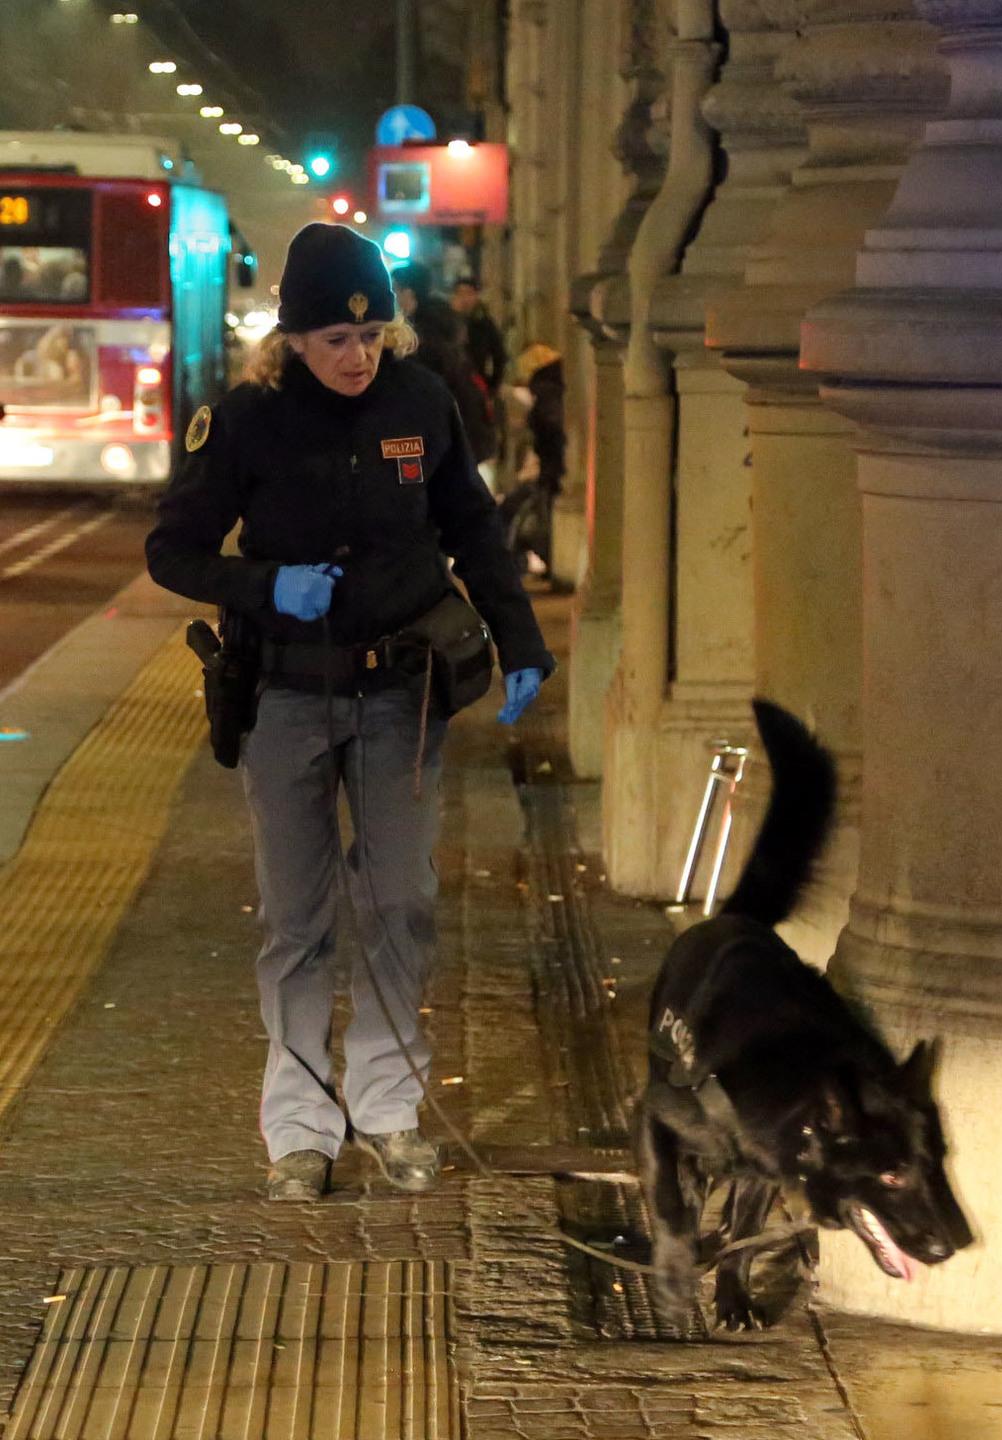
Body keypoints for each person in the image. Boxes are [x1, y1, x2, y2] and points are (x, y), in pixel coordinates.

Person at [146, 223, 554, 1203]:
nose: (357, 356)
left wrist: (523, 641)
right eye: (335, 339)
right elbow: (175, 550)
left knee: (400, 904)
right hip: (286, 692)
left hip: (400, 696)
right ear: (292, 338)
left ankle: (388, 1107)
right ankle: (298, 1126)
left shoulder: (423, 400)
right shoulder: (245, 418)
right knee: (296, 919)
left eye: (372, 339)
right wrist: (261, 586)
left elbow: (473, 527)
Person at [391, 261, 497, 464]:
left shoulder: (421, 337)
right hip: (463, 428)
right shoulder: (441, 324)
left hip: (449, 432)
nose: (393, 298)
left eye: (396, 290)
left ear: (409, 292)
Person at [499, 343, 566, 573]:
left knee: (520, 514)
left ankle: (512, 565)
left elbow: (551, 431)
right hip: (551, 469)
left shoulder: (545, 393)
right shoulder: (556, 388)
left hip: (550, 470)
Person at [451, 277, 507, 395]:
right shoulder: (447, 322)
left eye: (469, 294)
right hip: (452, 384)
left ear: (476, 296)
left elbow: (499, 355)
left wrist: (492, 386)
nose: (464, 299)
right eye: (460, 293)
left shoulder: (484, 323)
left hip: (476, 384)